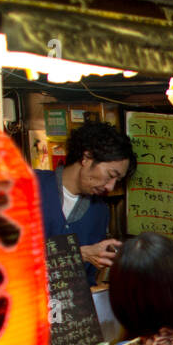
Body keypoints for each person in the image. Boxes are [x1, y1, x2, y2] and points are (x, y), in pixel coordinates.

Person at [35, 120, 136, 284]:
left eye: (117, 180)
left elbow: (87, 279)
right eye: (110, 175)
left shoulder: (99, 212)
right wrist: (78, 254)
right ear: (87, 157)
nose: (110, 187)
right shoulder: (27, 186)